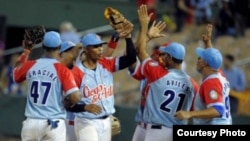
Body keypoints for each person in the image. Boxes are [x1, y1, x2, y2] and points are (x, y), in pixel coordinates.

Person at [134, 5, 196, 141]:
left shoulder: (158, 74)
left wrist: (144, 27)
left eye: (165, 55)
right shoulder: (192, 84)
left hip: (157, 132)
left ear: (170, 58)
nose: (162, 57)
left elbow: (139, 50)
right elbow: (197, 110)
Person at [69, 22, 137, 141]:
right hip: (86, 122)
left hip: (106, 121)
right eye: (95, 46)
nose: (100, 49)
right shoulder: (76, 72)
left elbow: (131, 58)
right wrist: (84, 107)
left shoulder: (106, 63)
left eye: (101, 45)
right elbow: (67, 104)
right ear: (85, 49)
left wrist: (128, 37)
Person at [13, 31, 82, 140]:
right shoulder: (62, 69)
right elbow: (75, 98)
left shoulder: (30, 65)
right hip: (53, 125)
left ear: (43, 46)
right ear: (59, 47)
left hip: (31, 123)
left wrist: (26, 52)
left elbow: (16, 75)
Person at [175, 24, 232, 125]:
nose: (197, 60)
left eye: (199, 58)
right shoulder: (220, 76)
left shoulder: (211, 82)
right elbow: (213, 60)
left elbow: (217, 110)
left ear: (204, 63)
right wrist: (208, 43)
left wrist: (190, 114)